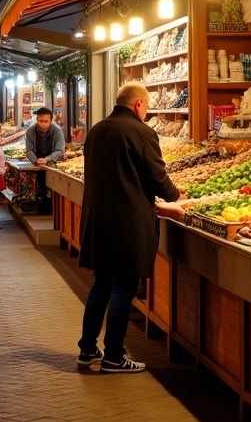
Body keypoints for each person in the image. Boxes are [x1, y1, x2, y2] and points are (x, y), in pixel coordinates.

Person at [77, 83, 181, 374]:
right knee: (124, 287)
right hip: (128, 222)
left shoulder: (97, 130)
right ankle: (113, 356)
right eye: (146, 107)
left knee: (102, 283)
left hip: (100, 220)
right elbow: (158, 178)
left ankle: (87, 349)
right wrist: (175, 196)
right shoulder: (143, 133)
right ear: (138, 105)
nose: (146, 112)